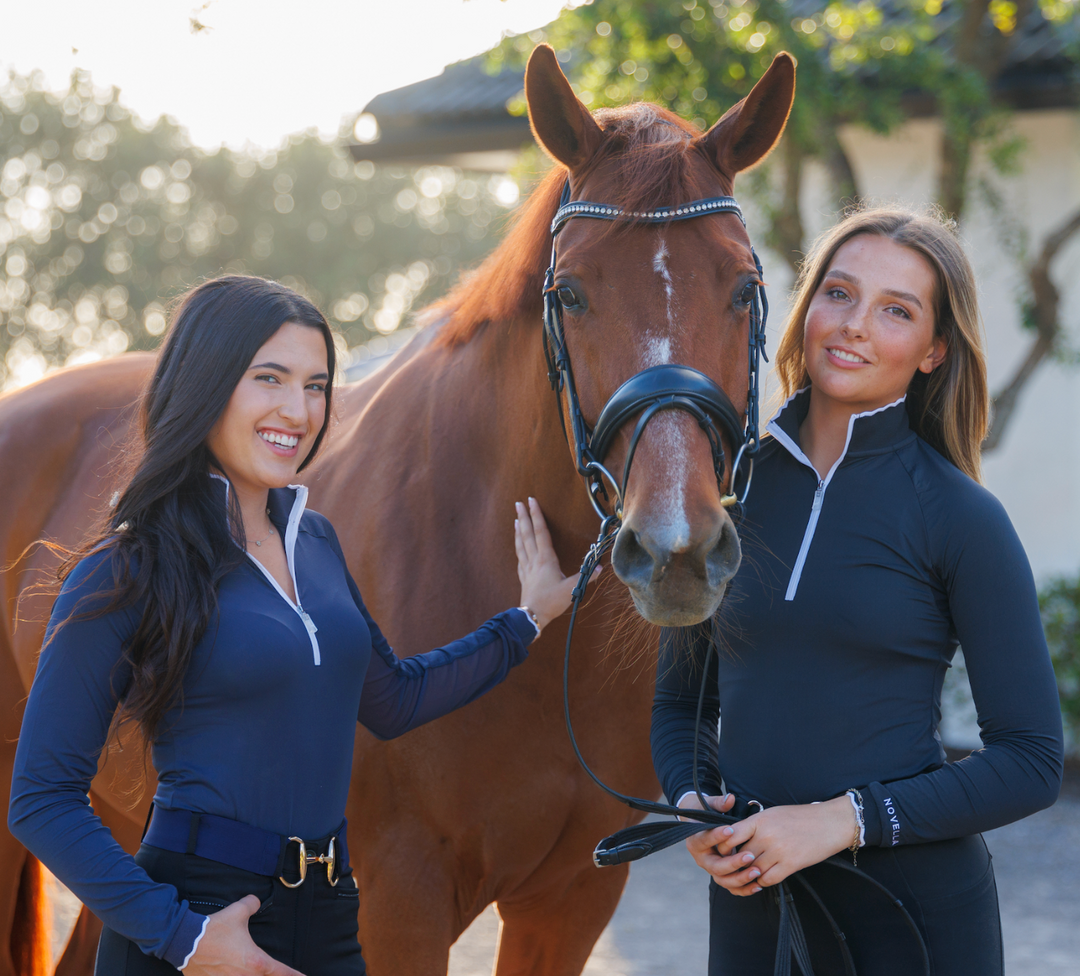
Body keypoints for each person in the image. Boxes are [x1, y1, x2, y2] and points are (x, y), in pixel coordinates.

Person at [9, 275, 576, 976]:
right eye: (269, 379)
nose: (298, 410)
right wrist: (182, 936)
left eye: (316, 386)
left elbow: (394, 699)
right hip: (197, 916)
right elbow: (41, 798)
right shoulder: (129, 564)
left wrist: (527, 620)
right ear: (206, 383)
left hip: (330, 910)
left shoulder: (316, 543)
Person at [650, 210, 1064, 974]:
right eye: (838, 293)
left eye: (896, 310)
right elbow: (681, 704)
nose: (855, 326)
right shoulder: (724, 498)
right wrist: (692, 799)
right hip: (752, 907)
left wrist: (840, 821)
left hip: (913, 921)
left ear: (934, 351)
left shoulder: (959, 516)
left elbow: (1032, 759)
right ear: (806, 308)